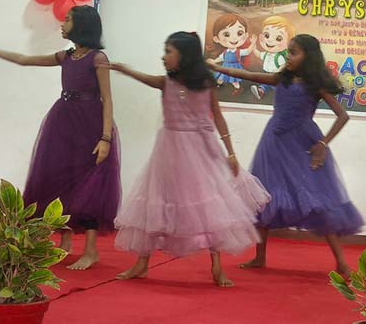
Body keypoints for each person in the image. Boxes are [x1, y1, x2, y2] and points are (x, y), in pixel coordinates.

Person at [103, 32, 268, 285]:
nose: (164, 56)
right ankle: (142, 263)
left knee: (208, 206)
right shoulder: (165, 83)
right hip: (168, 151)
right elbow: (146, 78)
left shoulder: (206, 84)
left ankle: (216, 267)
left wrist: (231, 153)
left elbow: (218, 116)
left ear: (185, 55)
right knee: (156, 202)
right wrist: (125, 70)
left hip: (199, 150)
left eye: (169, 51)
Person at [0, 5, 121, 270]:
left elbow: (107, 99)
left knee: (90, 182)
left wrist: (105, 138)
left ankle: (91, 250)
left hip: (90, 123)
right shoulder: (66, 56)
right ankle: (65, 241)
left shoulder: (98, 58)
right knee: (60, 176)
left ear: (82, 25)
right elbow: (24, 60)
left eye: (68, 20)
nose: (62, 24)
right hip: (63, 122)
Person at [207, 34, 362, 276]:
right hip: (274, 142)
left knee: (318, 201)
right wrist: (218, 68)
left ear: (308, 57)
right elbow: (247, 75)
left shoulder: (315, 85)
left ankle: (341, 262)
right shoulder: (281, 79)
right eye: (288, 51)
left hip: (303, 144)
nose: (287, 56)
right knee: (265, 196)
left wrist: (323, 143)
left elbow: (343, 116)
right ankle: (260, 257)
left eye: (293, 52)